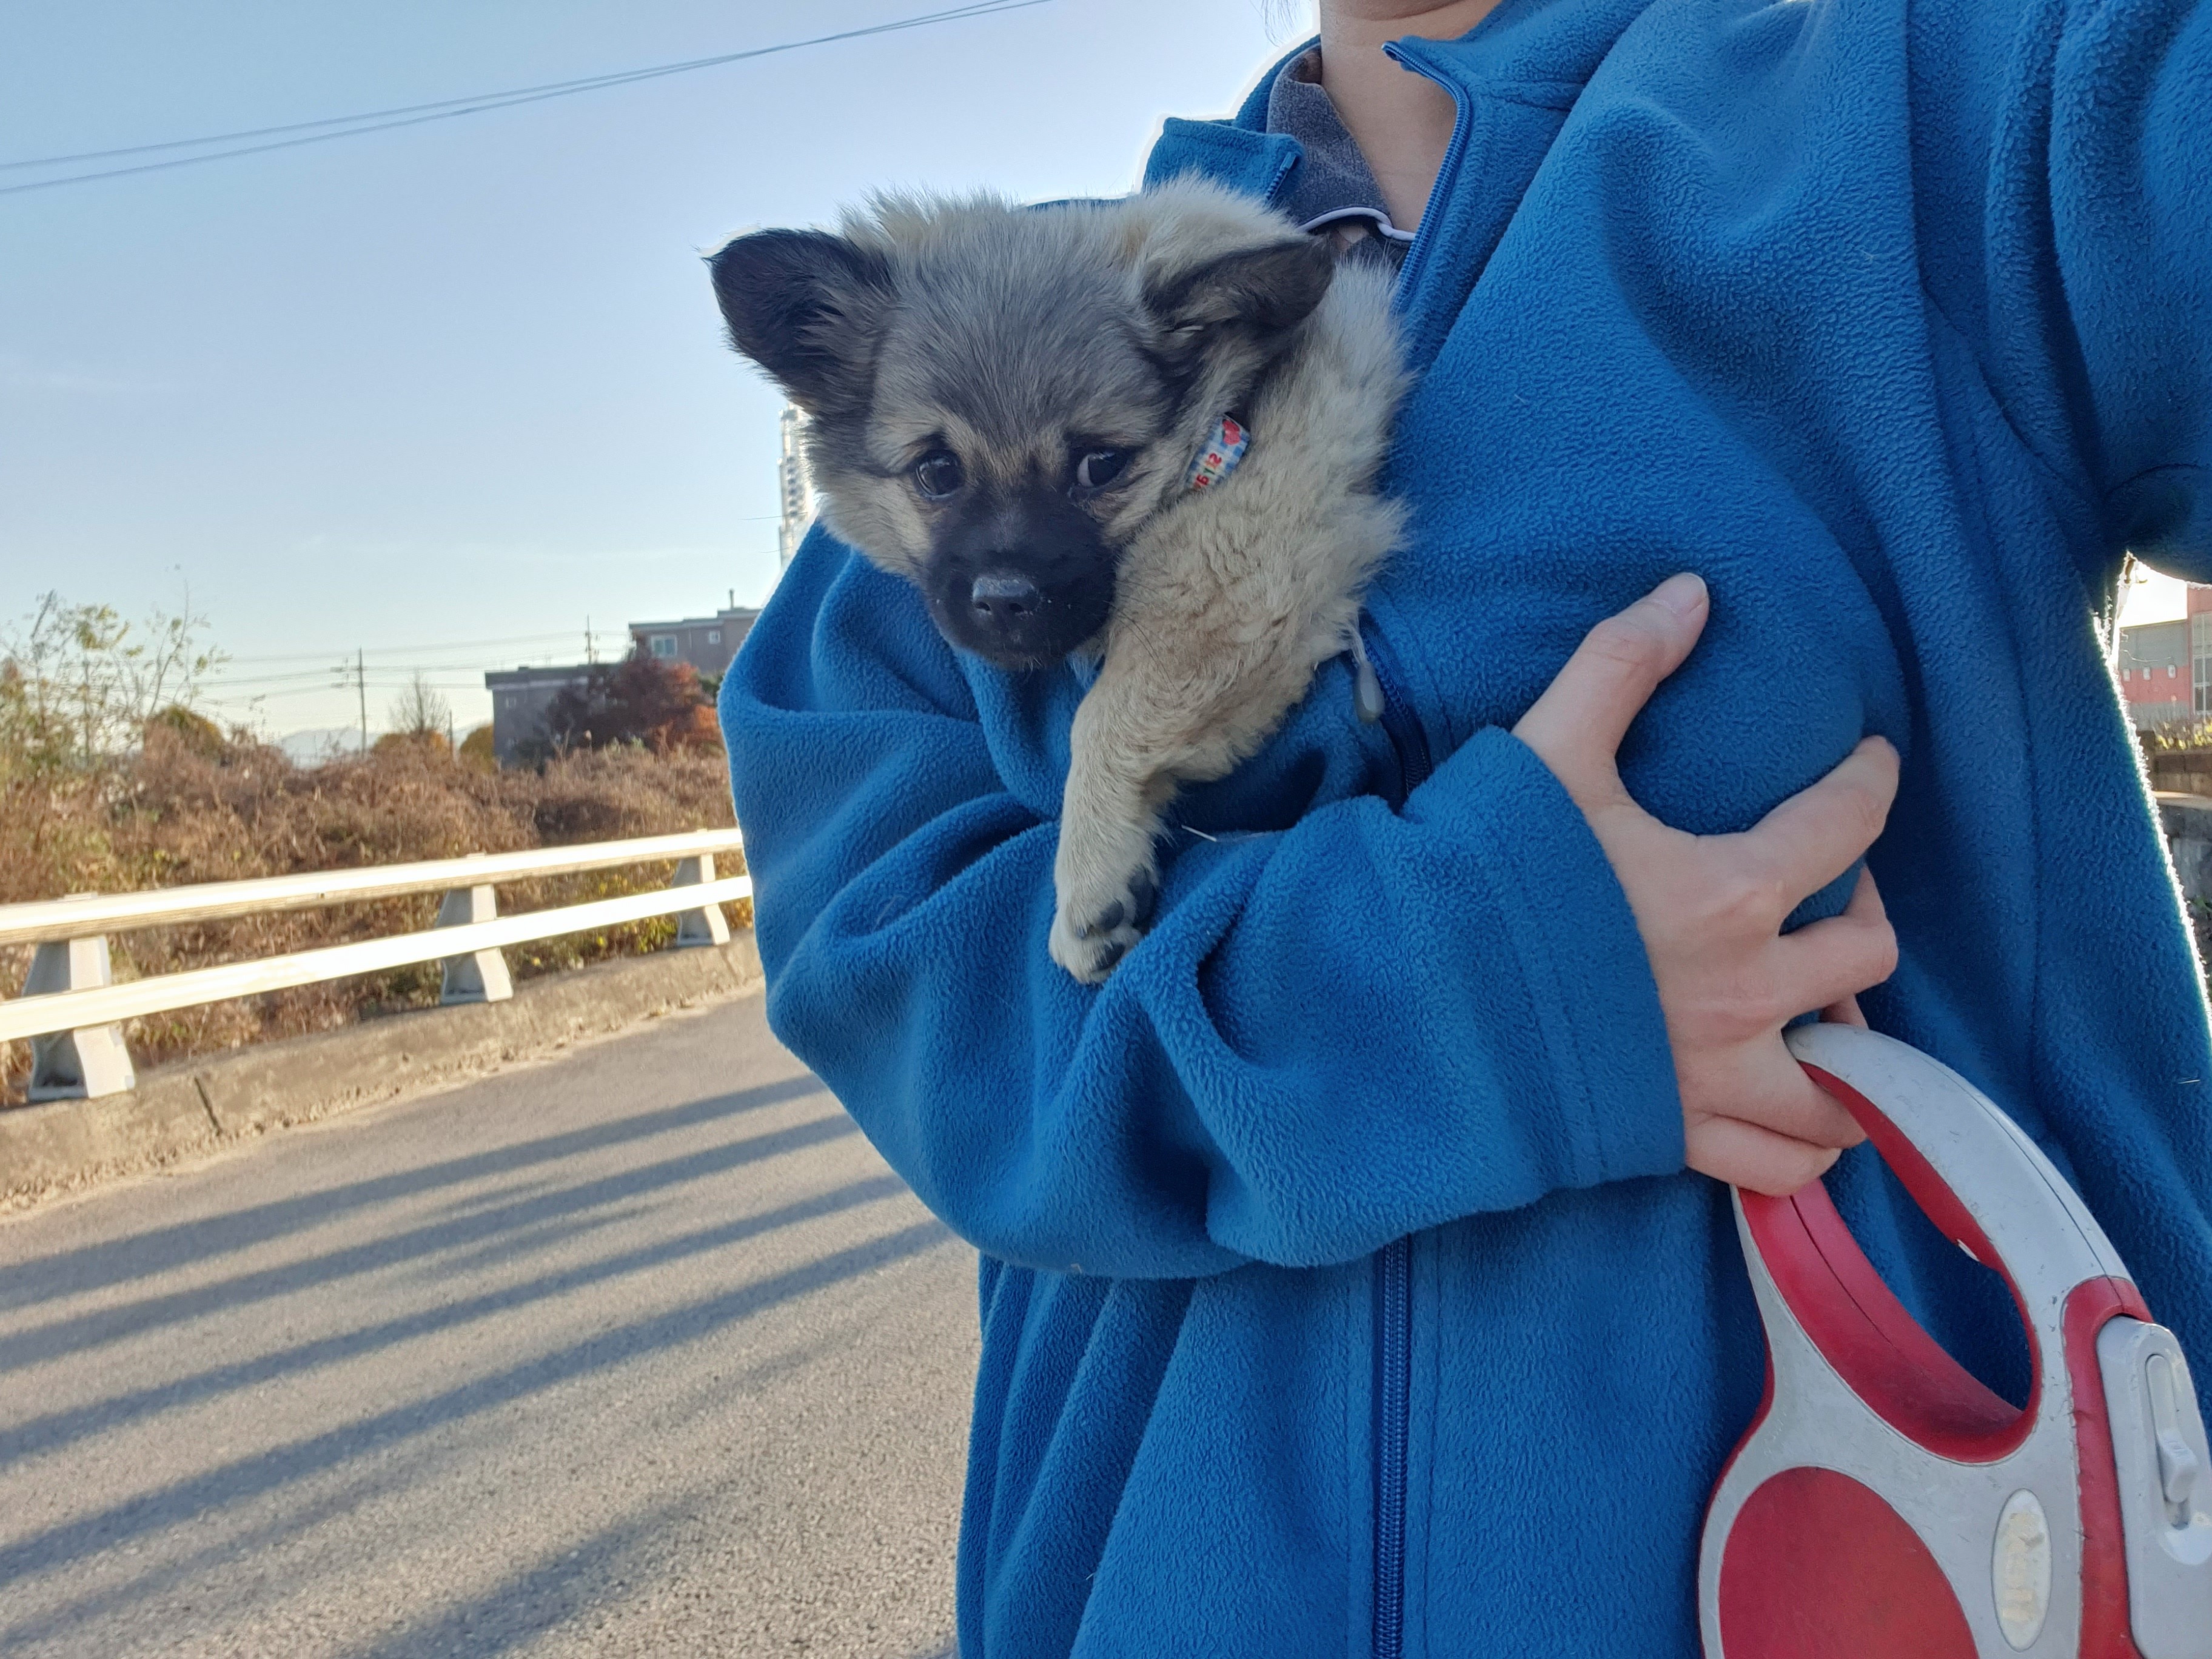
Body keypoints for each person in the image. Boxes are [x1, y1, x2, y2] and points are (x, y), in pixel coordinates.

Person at [718, 0, 2212, 1652]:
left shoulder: (1963, 108)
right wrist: (1485, 984)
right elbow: (905, 983)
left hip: (1951, 1566)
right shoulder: (972, 329)